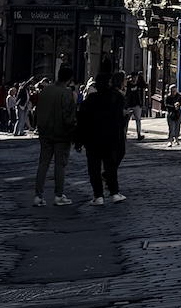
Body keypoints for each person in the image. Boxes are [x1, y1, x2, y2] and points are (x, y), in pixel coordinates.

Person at [77, 66, 127, 204]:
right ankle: (114, 192)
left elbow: (82, 121)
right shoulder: (116, 98)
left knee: (94, 167)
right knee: (110, 165)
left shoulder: (90, 100)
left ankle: (98, 195)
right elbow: (119, 120)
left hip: (92, 139)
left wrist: (78, 141)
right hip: (110, 138)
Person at [33, 61, 78, 207]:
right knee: (60, 165)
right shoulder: (66, 94)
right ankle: (58, 195)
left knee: (43, 163)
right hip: (61, 133)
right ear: (70, 79)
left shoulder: (45, 91)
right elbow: (68, 117)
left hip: (45, 131)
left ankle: (38, 195)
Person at [126, 71, 146, 142]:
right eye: (133, 77)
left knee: (138, 120)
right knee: (126, 120)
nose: (135, 79)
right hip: (128, 105)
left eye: (136, 77)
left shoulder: (139, 84)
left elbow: (145, 85)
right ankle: (124, 135)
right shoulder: (128, 84)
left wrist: (141, 78)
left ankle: (139, 134)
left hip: (137, 104)